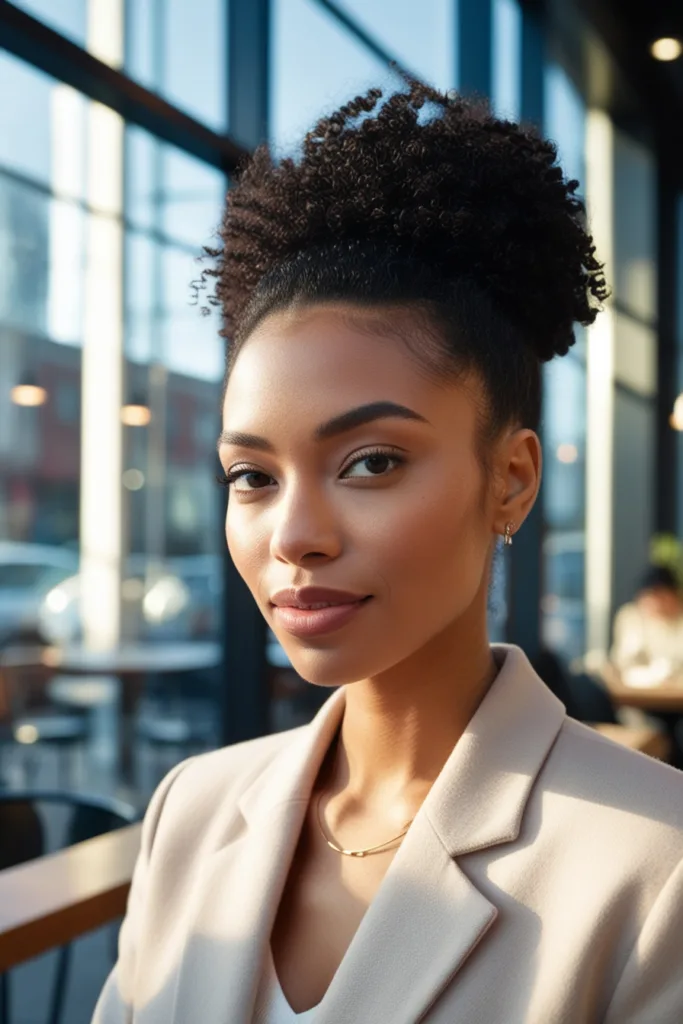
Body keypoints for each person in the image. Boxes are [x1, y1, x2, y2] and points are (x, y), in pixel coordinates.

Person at [92, 83, 683, 1024]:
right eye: (252, 475)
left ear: (511, 480)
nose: (293, 534)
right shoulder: (192, 809)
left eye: (369, 462)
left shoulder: (655, 866)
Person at [612, 565, 683, 679]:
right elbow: (625, 659)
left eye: (662, 596)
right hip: (639, 692)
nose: (657, 603)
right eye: (652, 596)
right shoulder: (631, 617)